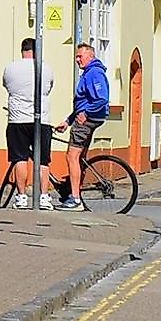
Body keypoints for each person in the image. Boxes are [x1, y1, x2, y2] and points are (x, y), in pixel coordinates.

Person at [1, 39, 61, 209]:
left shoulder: (11, 68)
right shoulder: (46, 68)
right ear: (37, 51)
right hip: (42, 119)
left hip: (18, 119)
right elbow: (48, 89)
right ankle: (44, 197)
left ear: (23, 51)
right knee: (43, 160)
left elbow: (7, 86)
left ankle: (21, 197)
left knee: (19, 158)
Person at [64, 43, 111, 212]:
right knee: (80, 157)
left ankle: (75, 198)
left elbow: (101, 98)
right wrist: (68, 121)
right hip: (89, 118)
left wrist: (86, 114)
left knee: (71, 157)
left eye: (80, 56)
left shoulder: (94, 73)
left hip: (88, 120)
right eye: (76, 56)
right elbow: (81, 103)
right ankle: (76, 193)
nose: (77, 60)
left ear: (90, 56)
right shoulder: (90, 73)